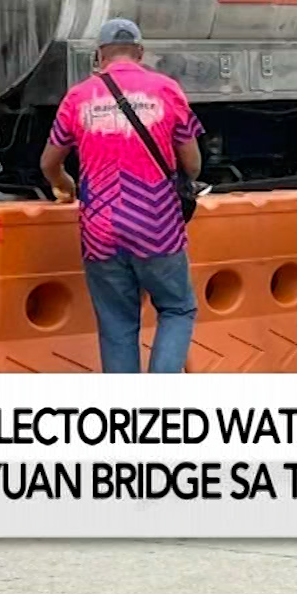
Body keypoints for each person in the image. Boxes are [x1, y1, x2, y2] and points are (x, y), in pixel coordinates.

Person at [41, 19, 204, 373]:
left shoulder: (78, 96)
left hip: (100, 232)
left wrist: (65, 185)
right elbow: (192, 164)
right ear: (140, 53)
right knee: (177, 308)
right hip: (157, 227)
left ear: (99, 56)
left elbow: (48, 163)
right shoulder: (166, 90)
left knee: (117, 324)